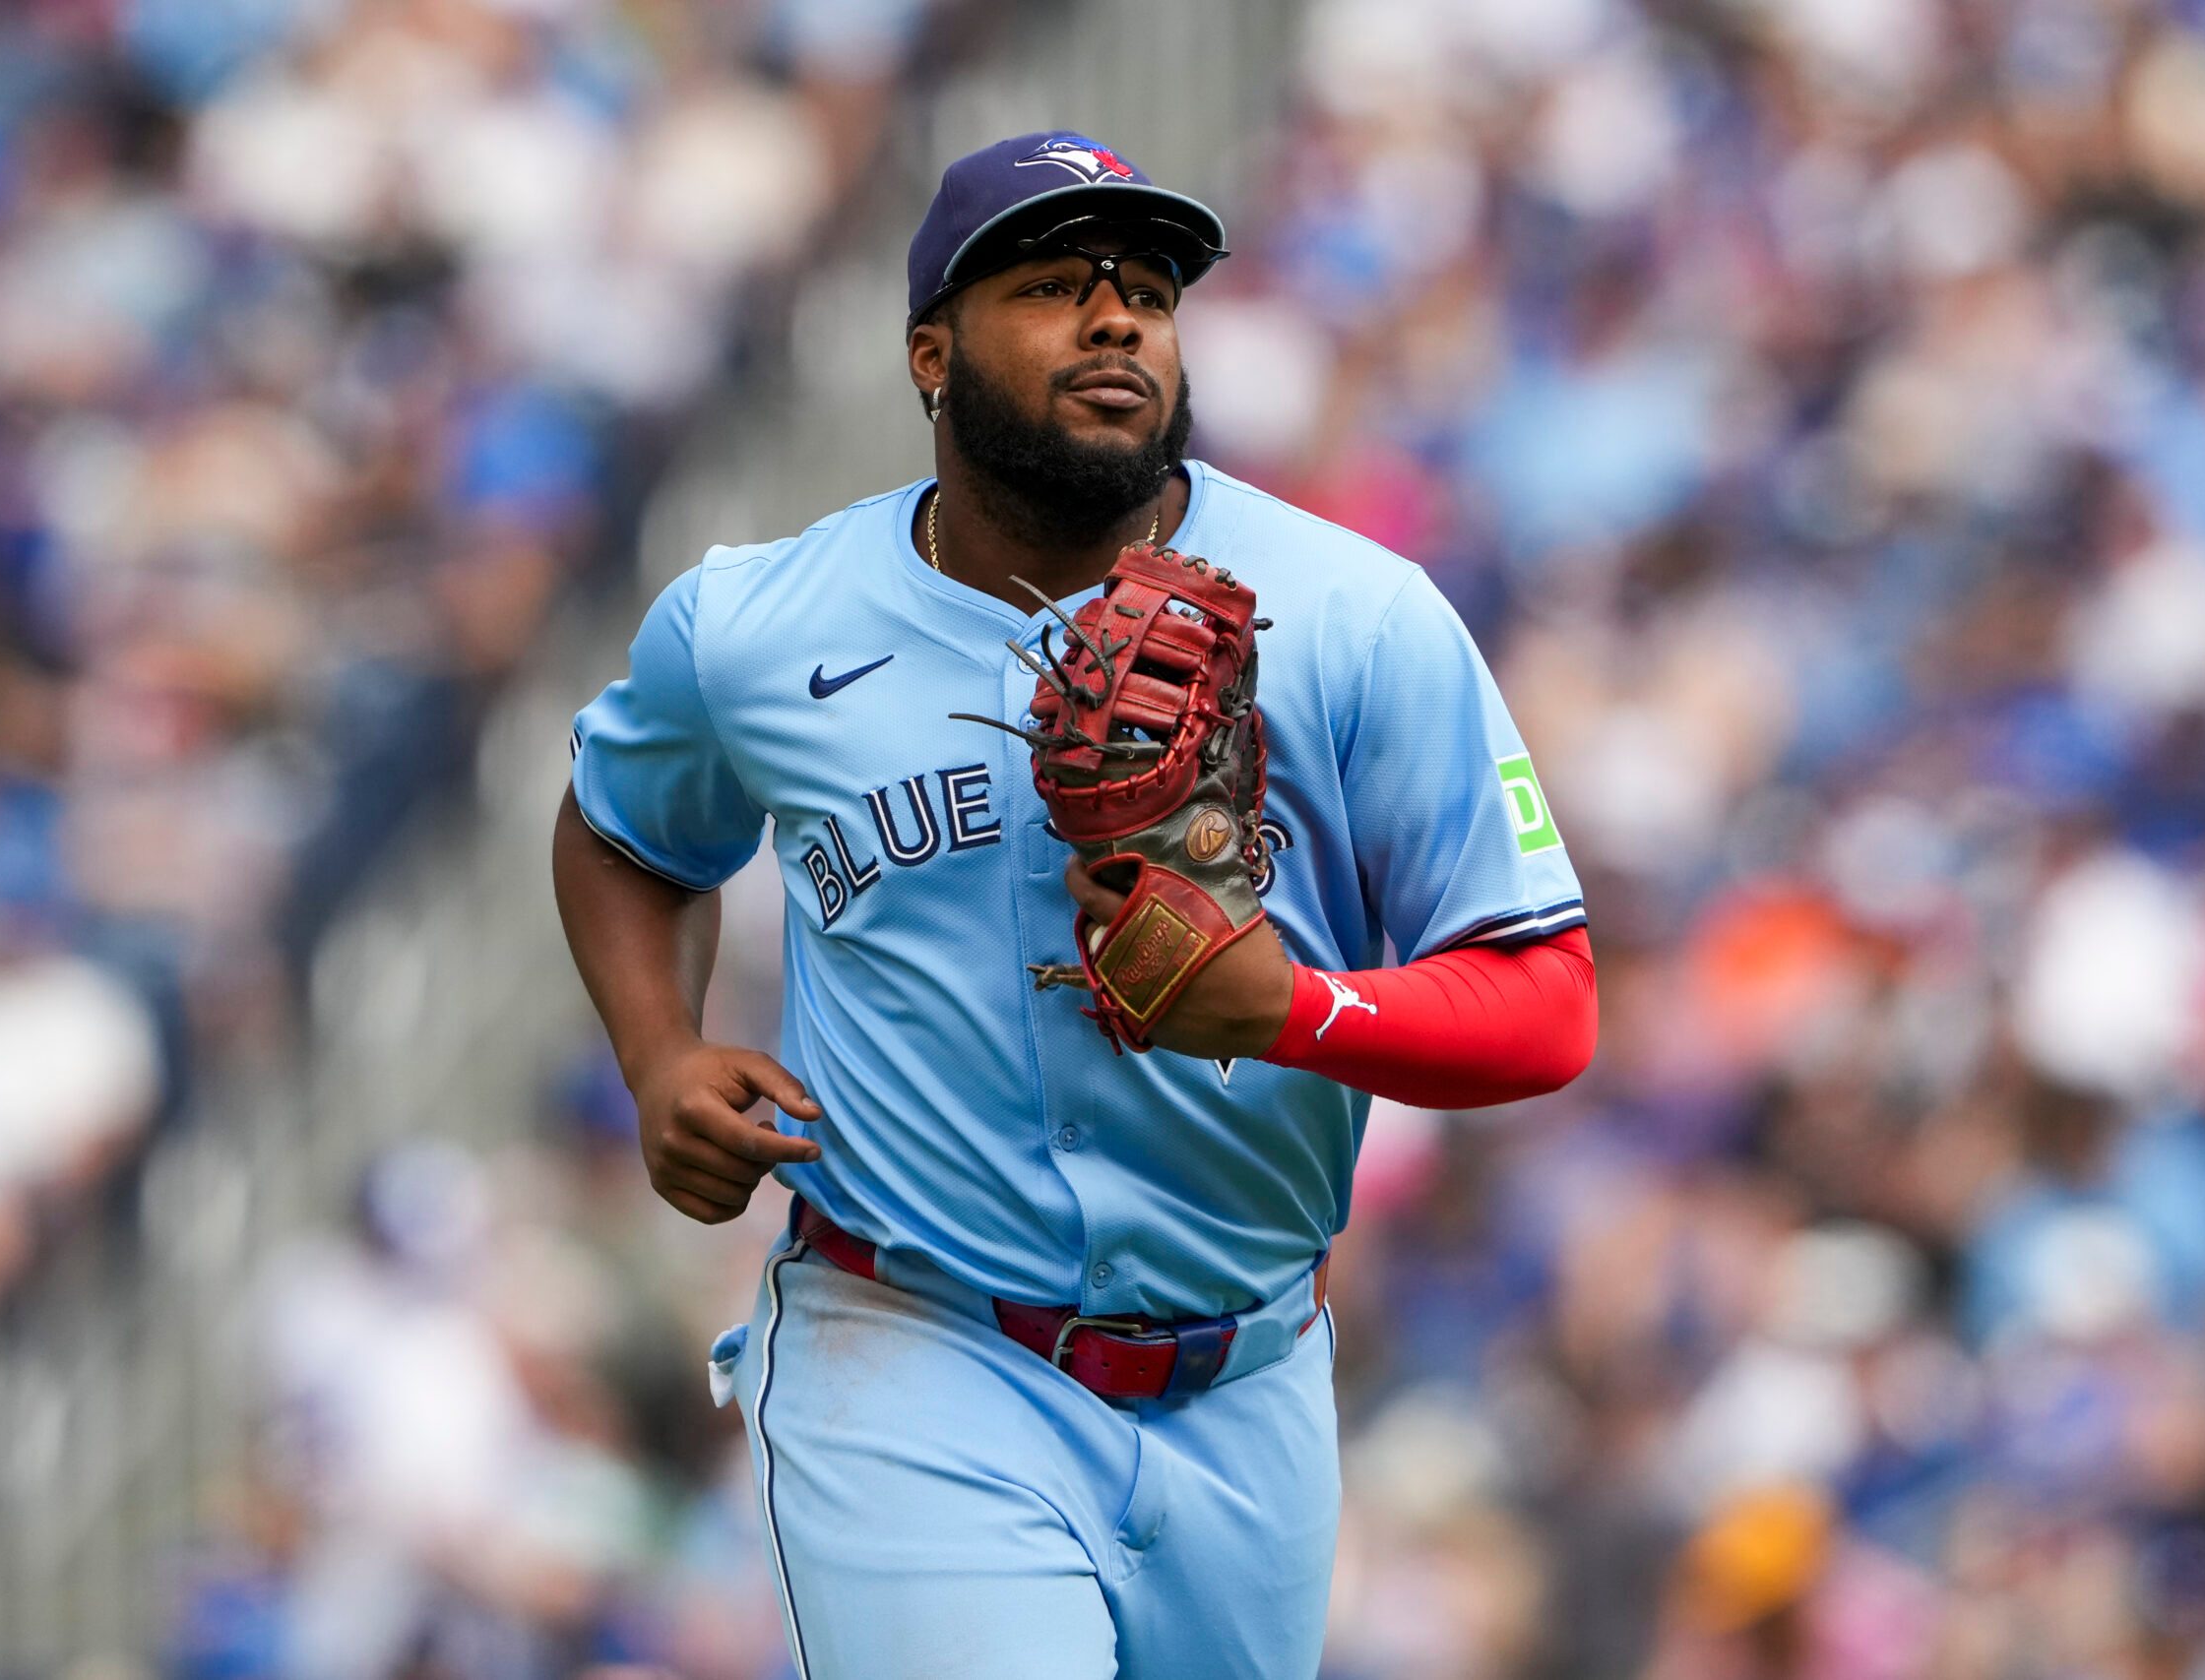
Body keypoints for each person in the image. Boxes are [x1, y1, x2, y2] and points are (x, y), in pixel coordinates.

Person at [552, 130, 1599, 1680]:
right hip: (911, 1347)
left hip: (1245, 1379)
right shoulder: (758, 629)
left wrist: (1291, 1009)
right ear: (929, 353)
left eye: (1151, 290)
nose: (1117, 319)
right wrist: (659, 1056)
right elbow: (623, 831)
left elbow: (1549, 1006)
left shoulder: (1361, 616)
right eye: (1054, 284)